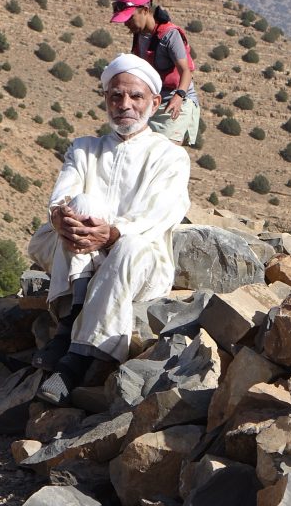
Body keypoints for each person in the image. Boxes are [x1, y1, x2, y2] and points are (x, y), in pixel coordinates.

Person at [27, 53, 191, 405]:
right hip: (79, 252)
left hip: (137, 263)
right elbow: (62, 197)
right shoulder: (85, 148)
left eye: (136, 96)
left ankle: (73, 358)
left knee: (129, 244)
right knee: (79, 205)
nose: (125, 104)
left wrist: (113, 234)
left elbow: (159, 215)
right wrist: (60, 217)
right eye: (116, 96)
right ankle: (74, 319)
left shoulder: (171, 157)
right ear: (106, 99)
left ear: (154, 103)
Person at [110, 0, 200, 146]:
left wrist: (178, 97)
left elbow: (186, 71)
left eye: (130, 17)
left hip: (176, 101)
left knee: (165, 153)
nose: (126, 23)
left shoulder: (170, 35)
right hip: (151, 103)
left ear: (145, 10)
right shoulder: (139, 35)